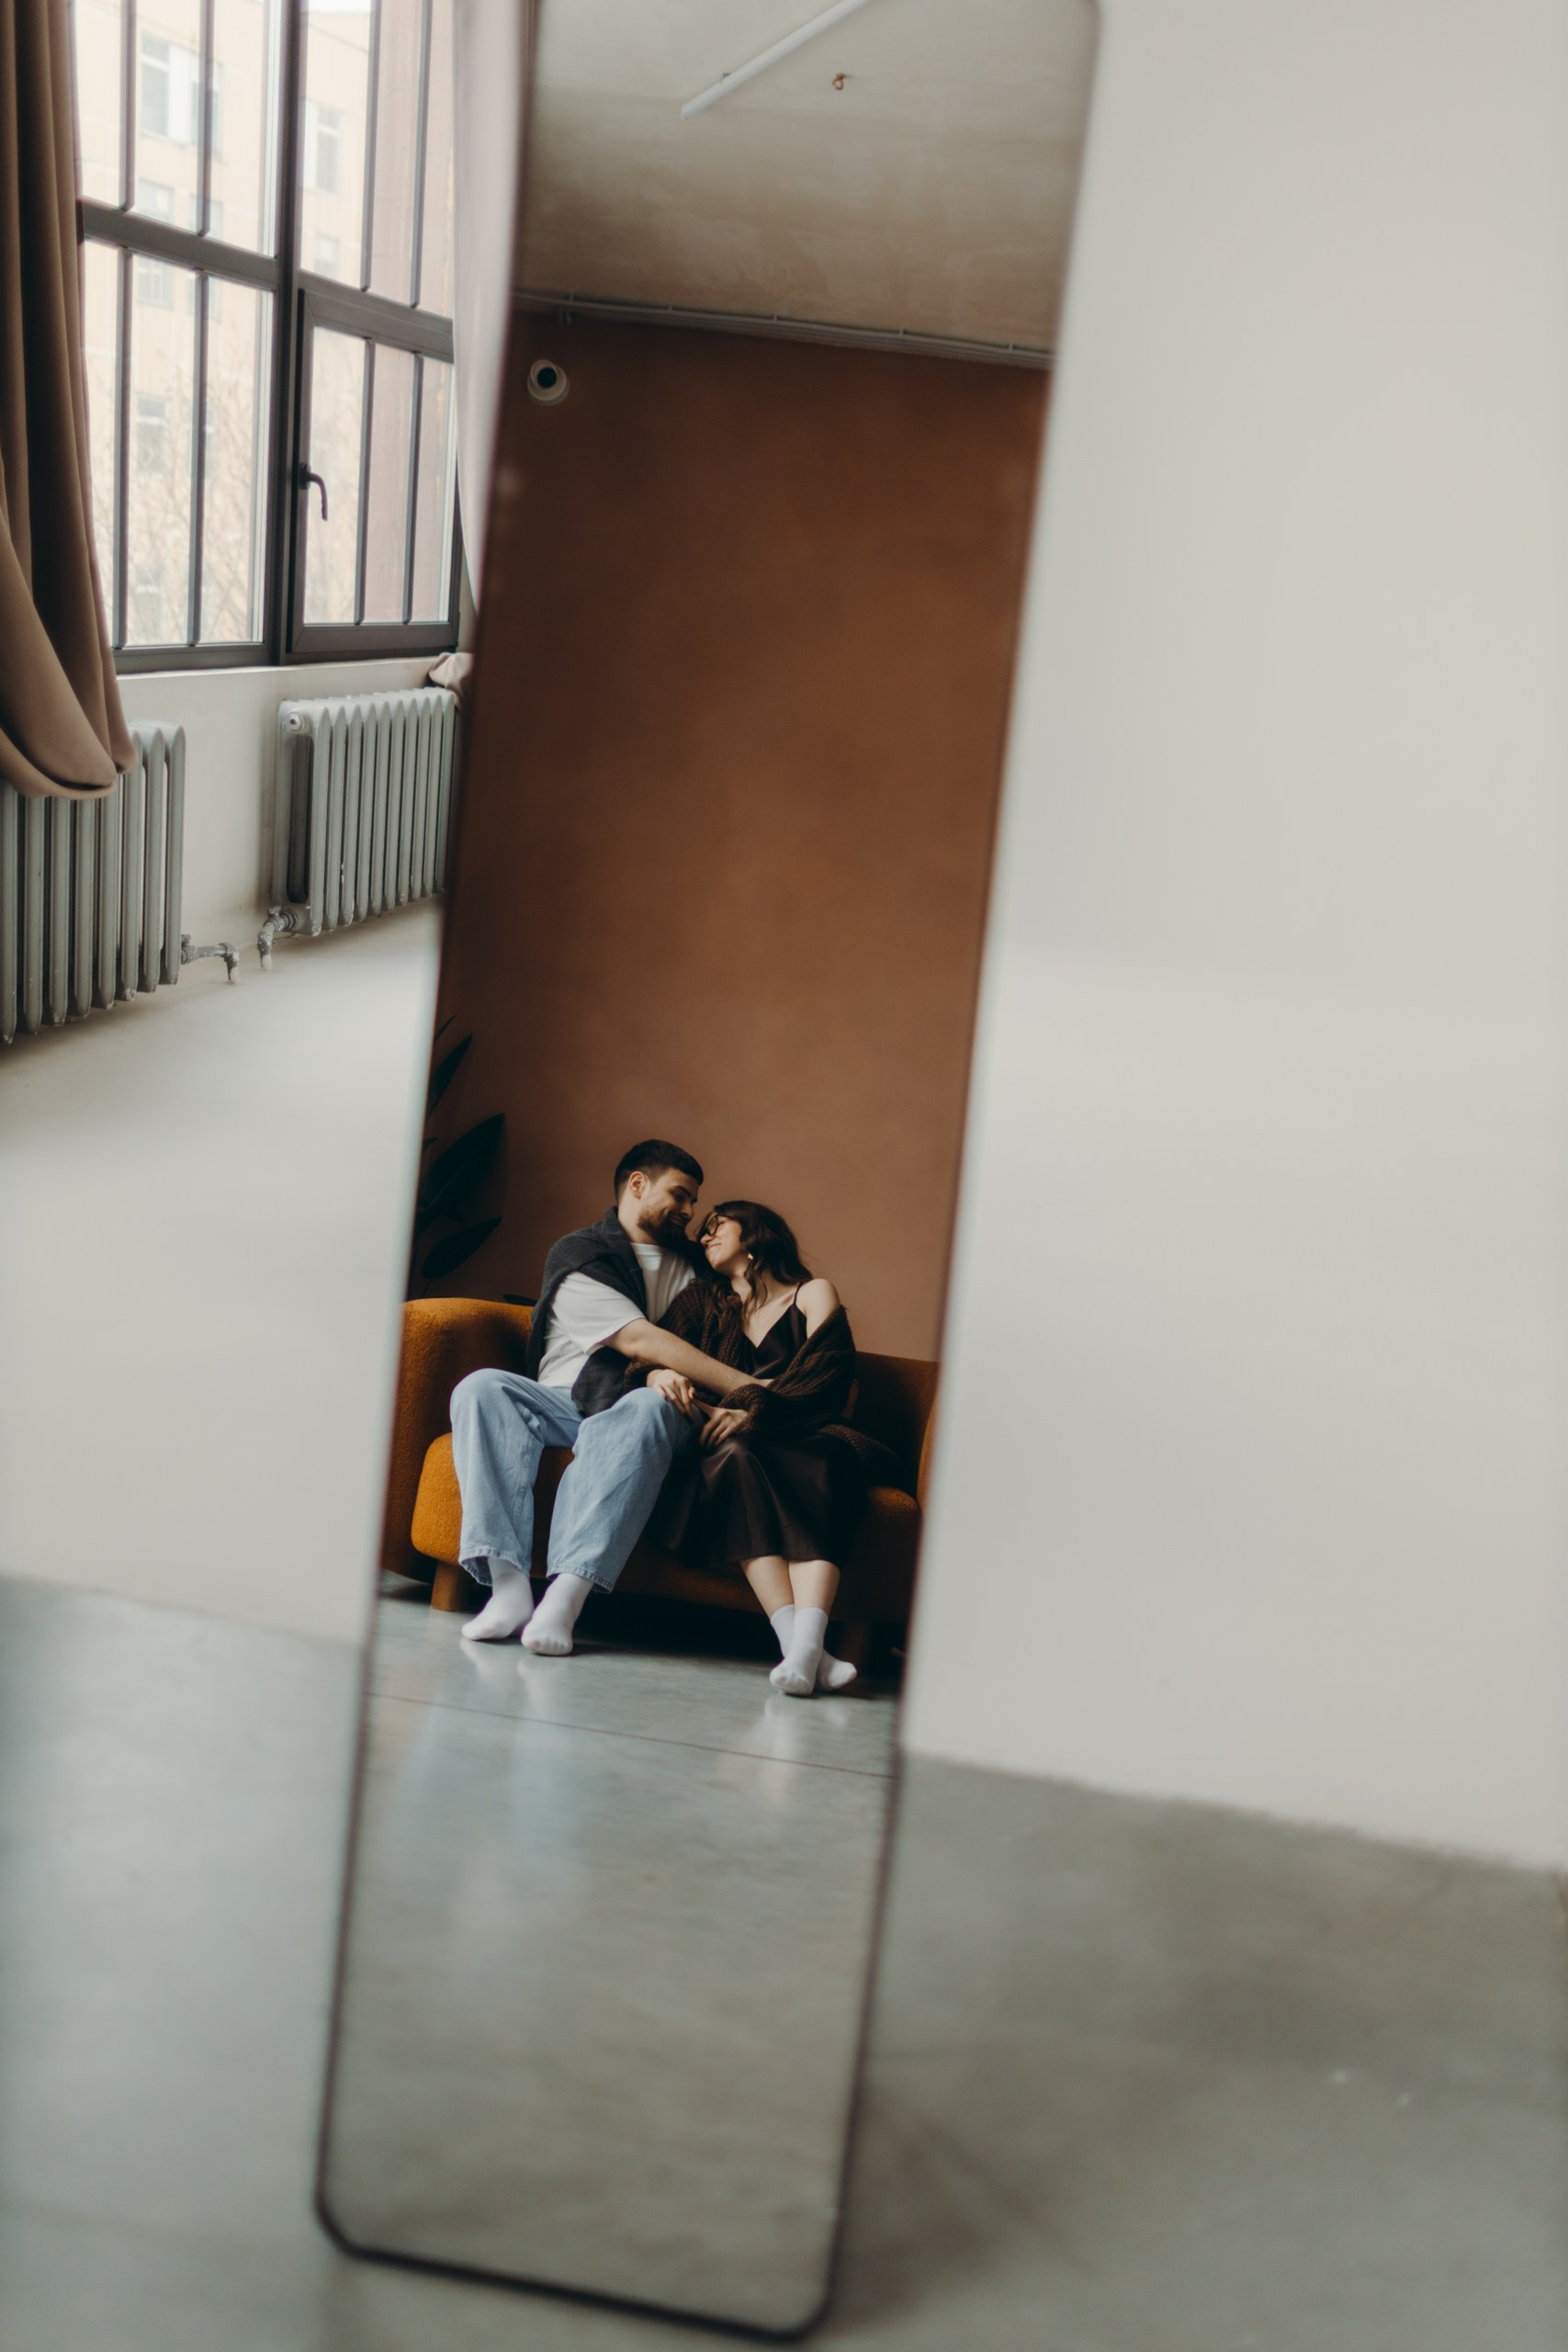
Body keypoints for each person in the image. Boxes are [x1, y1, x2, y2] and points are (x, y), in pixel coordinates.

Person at [449, 1141, 764, 1653]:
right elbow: (637, 1340)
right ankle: (507, 1589)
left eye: (693, 1200)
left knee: (648, 1404)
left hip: (647, 1411)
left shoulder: (699, 1267)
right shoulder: (581, 1252)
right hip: (565, 1403)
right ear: (638, 1184)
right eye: (680, 1195)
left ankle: (564, 1599)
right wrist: (745, 1387)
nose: (690, 1211)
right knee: (481, 1387)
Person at [645, 1201, 894, 1695]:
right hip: (738, 1445)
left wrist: (753, 1412)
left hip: (812, 1433)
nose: (705, 1236)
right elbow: (654, 1352)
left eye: (717, 1225)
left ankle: (807, 1645)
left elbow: (828, 1376)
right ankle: (803, 1650)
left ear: (755, 1233)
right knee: (733, 1459)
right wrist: (658, 1374)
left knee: (826, 1462)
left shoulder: (812, 1292)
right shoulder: (700, 1301)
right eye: (703, 1231)